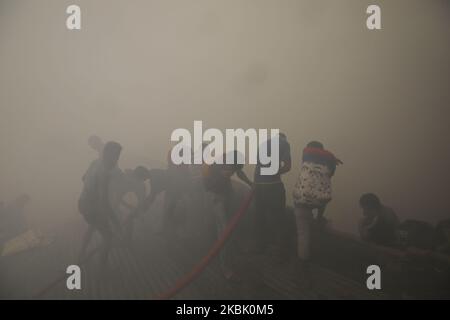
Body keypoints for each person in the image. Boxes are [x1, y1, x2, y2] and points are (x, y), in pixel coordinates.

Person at [202, 151, 252, 280]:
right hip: (216, 197)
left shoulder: (229, 163)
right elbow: (226, 172)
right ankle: (226, 268)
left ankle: (228, 253)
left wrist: (250, 183)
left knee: (229, 229)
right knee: (224, 232)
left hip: (226, 195)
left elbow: (239, 172)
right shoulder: (222, 163)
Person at [292, 141, 342, 263]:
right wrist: (332, 159)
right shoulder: (328, 160)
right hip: (320, 199)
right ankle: (319, 218)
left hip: (301, 199)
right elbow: (330, 176)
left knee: (303, 233)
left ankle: (303, 260)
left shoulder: (306, 154)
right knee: (322, 194)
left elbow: (310, 150)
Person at [78, 141, 122, 272]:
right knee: (108, 237)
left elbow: (83, 178)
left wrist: (91, 189)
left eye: (118, 157)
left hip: (82, 203)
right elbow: (104, 203)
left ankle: (80, 256)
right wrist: (117, 223)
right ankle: (102, 269)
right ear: (107, 154)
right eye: (115, 157)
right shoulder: (104, 173)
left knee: (93, 226)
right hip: (91, 208)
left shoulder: (95, 163)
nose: (116, 160)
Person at [253, 133, 291, 255]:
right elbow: (288, 166)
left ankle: (260, 246)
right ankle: (281, 251)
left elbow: (257, 166)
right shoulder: (284, 143)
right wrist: (275, 171)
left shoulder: (262, 144)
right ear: (283, 138)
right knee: (279, 218)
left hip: (258, 185)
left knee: (260, 217)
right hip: (273, 186)